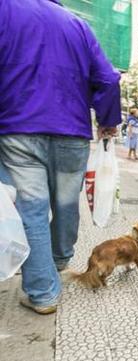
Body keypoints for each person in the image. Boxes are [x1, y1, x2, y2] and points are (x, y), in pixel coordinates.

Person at [0, 0, 121, 314]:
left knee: (32, 209)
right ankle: (57, 261)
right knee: (67, 204)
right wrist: (107, 120)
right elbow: (107, 78)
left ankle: (43, 293)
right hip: (72, 131)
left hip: (18, 127)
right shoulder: (77, 24)